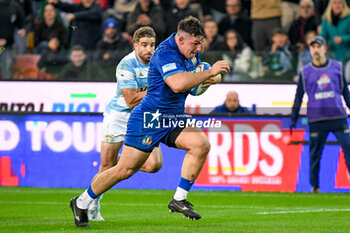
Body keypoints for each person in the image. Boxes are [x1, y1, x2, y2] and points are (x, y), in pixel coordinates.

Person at [69, 16, 229, 227]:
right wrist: (209, 73)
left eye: (200, 43)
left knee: (201, 145)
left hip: (173, 117)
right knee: (123, 170)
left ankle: (178, 199)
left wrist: (209, 78)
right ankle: (82, 201)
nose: (199, 48)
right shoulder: (165, 53)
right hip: (148, 118)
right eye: (195, 43)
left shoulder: (190, 53)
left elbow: (196, 86)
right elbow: (177, 84)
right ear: (181, 40)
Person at [87, 26, 162, 221]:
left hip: (144, 117)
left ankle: (125, 159)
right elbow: (131, 100)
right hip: (120, 116)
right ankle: (91, 205)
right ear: (135, 45)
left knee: (154, 164)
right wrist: (159, 88)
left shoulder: (158, 62)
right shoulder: (126, 65)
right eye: (144, 45)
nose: (149, 49)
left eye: (152, 45)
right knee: (106, 166)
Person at [291, 35, 350, 193]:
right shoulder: (305, 72)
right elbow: (298, 97)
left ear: (325, 49)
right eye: (313, 47)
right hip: (317, 119)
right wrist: (293, 118)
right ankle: (315, 186)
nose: (316, 50)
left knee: (349, 148)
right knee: (315, 154)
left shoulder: (337, 67)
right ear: (310, 50)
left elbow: (345, 92)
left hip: (338, 116)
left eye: (319, 46)